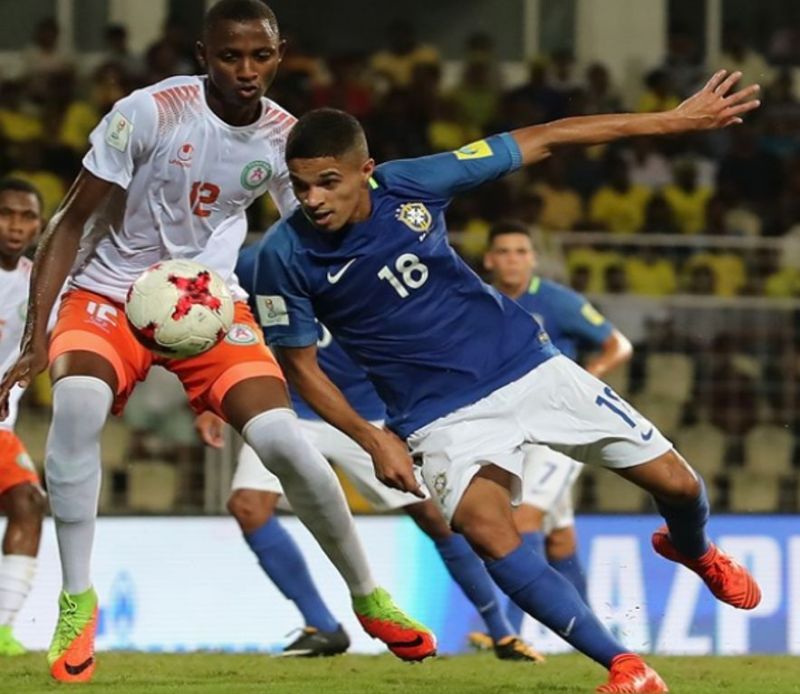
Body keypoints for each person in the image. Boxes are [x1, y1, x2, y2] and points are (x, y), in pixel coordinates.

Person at [249, 69, 761, 693]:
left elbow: (546, 136)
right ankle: (627, 667)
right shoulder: (282, 256)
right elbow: (299, 364)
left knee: (679, 486)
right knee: (488, 532)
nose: (314, 199)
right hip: (438, 416)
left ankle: (696, 550)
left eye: (328, 182)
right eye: (301, 186)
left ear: (366, 170)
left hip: (526, 366)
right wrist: (369, 435)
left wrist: (672, 122)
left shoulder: (413, 182)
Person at [0, 1, 432, 683]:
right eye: (230, 56)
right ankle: (76, 600)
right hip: (110, 291)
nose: (246, 70)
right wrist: (35, 335)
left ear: (280, 53)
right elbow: (69, 219)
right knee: (78, 404)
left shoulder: (286, 140)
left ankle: (367, 595)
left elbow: (319, 240)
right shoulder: (148, 112)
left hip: (208, 304)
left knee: (287, 441)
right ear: (204, 54)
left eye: (260, 56)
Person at [196, 244, 542, 662]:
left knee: (435, 516)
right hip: (289, 407)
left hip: (365, 414)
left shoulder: (382, 248)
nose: (316, 199)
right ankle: (322, 625)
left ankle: (501, 632)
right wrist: (212, 396)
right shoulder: (264, 258)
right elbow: (222, 315)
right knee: (249, 505)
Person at [477, 220, 633, 638]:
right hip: (509, 429)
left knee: (524, 518)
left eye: (521, 251)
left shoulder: (557, 301)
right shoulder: (479, 302)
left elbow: (618, 345)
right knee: (560, 537)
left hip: (559, 431)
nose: (513, 259)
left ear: (533, 258)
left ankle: (506, 633)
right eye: (504, 251)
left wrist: (587, 377)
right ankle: (598, 636)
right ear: (490, 259)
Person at [0, 178, 47, 656]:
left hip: (0, 428)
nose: (16, 225)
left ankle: (1, 631)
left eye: (27, 217)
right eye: (6, 213)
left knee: (28, 503)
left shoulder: (39, 283)